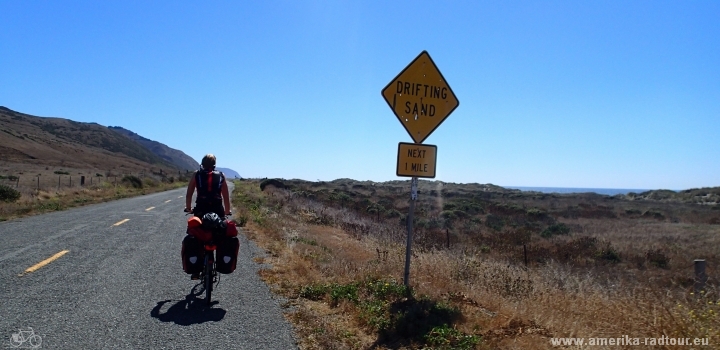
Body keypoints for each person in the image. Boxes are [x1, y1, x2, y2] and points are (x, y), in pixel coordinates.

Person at [184, 154, 231, 218]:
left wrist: (188, 208)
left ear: (202, 164)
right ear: (214, 164)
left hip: (201, 208)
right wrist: (227, 210)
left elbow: (189, 194)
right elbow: (226, 196)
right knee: (222, 226)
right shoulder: (221, 175)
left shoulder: (197, 174)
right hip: (217, 208)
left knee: (196, 226)